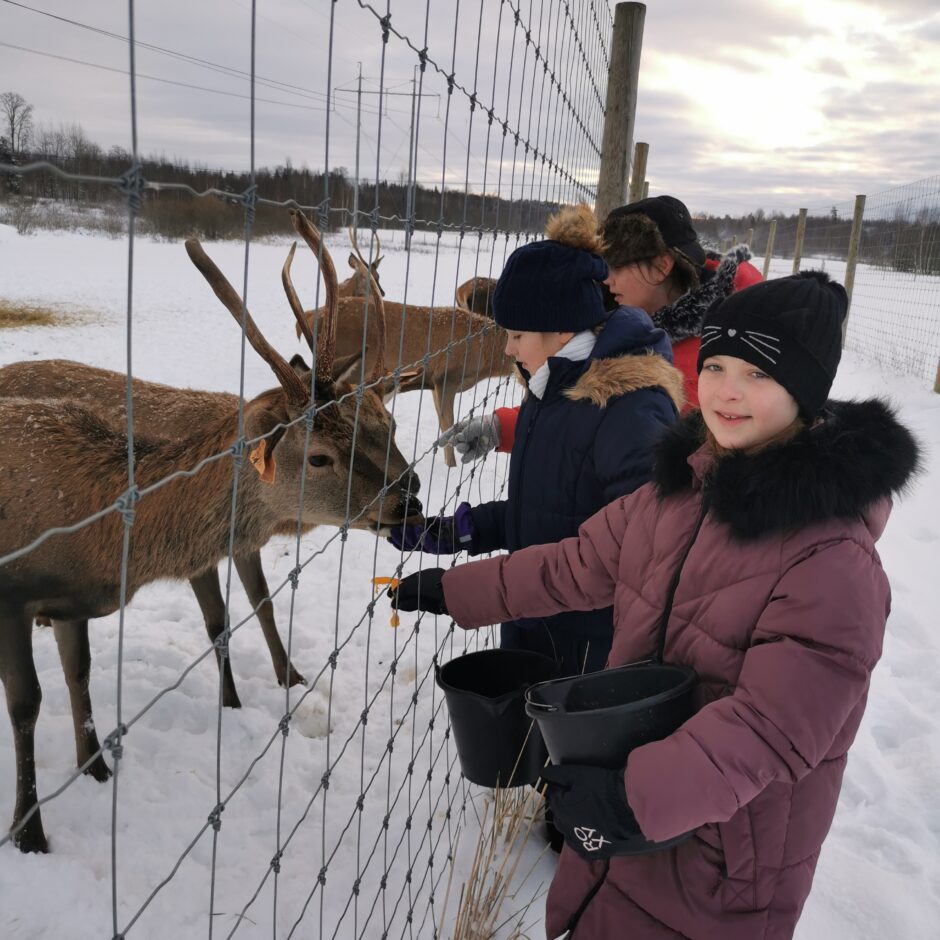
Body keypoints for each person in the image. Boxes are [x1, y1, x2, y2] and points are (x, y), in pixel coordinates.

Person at [389, 271, 921, 939]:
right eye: (720, 363)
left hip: (717, 873)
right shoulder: (680, 492)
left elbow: (768, 728)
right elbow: (575, 564)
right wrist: (456, 591)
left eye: (758, 374)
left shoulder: (833, 562)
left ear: (807, 394)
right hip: (623, 831)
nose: (725, 389)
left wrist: (630, 802)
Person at [389, 202, 684, 683]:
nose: (507, 347)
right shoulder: (551, 389)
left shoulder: (630, 410)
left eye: (517, 334)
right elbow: (554, 512)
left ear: (562, 329)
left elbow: (628, 559)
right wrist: (463, 530)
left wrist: (459, 590)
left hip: (591, 662)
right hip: (537, 629)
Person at [440, 196, 761, 462]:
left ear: (662, 266)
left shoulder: (728, 349)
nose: (607, 279)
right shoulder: (612, 327)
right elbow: (585, 415)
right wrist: (506, 427)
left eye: (616, 266)